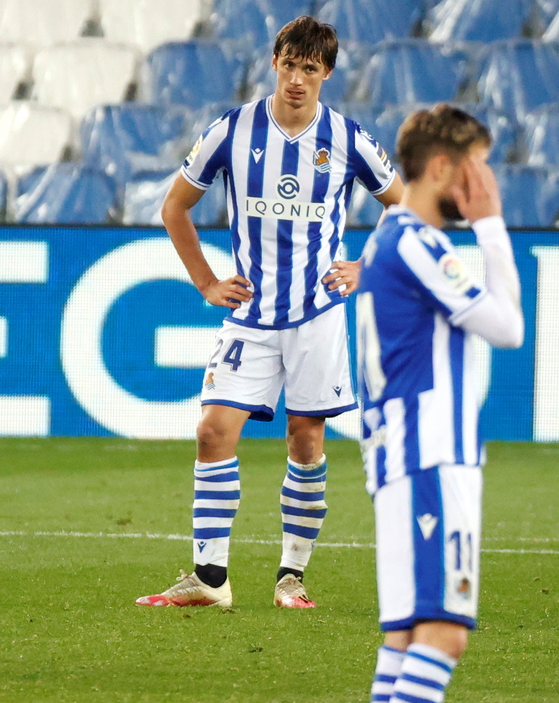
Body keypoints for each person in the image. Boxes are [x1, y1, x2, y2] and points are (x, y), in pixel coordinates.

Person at [135, 15, 404, 610]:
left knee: (305, 442)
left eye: (310, 68)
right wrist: (206, 282)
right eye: (289, 65)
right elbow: (175, 207)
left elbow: (402, 205)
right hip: (250, 317)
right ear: (274, 64)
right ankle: (210, 580)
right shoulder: (231, 130)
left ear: (326, 73)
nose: (297, 79)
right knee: (212, 432)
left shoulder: (348, 138)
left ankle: (291, 578)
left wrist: (368, 267)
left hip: (317, 315)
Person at [357, 105, 522, 703]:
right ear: (441, 168)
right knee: (443, 635)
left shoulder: (386, 240)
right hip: (429, 455)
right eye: (475, 168)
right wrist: (491, 225)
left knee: (405, 640)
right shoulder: (416, 242)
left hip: (403, 457)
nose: (484, 184)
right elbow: (507, 328)